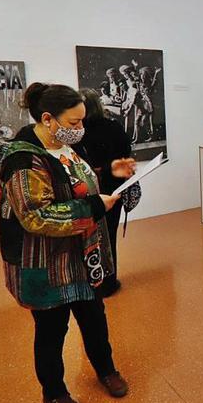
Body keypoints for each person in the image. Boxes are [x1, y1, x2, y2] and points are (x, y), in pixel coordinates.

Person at [0, 82, 132, 403]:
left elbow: (79, 181)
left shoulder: (65, 146)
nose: (80, 129)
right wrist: (92, 206)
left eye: (82, 122)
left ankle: (106, 369)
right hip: (45, 263)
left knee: (94, 318)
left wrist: (111, 174)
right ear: (48, 119)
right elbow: (34, 216)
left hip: (81, 256)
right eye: (73, 123)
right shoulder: (23, 159)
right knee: (52, 330)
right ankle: (54, 393)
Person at [78, 89, 137, 298]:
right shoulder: (112, 126)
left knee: (88, 236)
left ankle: (92, 280)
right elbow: (126, 151)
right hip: (114, 189)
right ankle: (108, 281)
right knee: (108, 234)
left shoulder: (79, 132)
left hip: (88, 192)